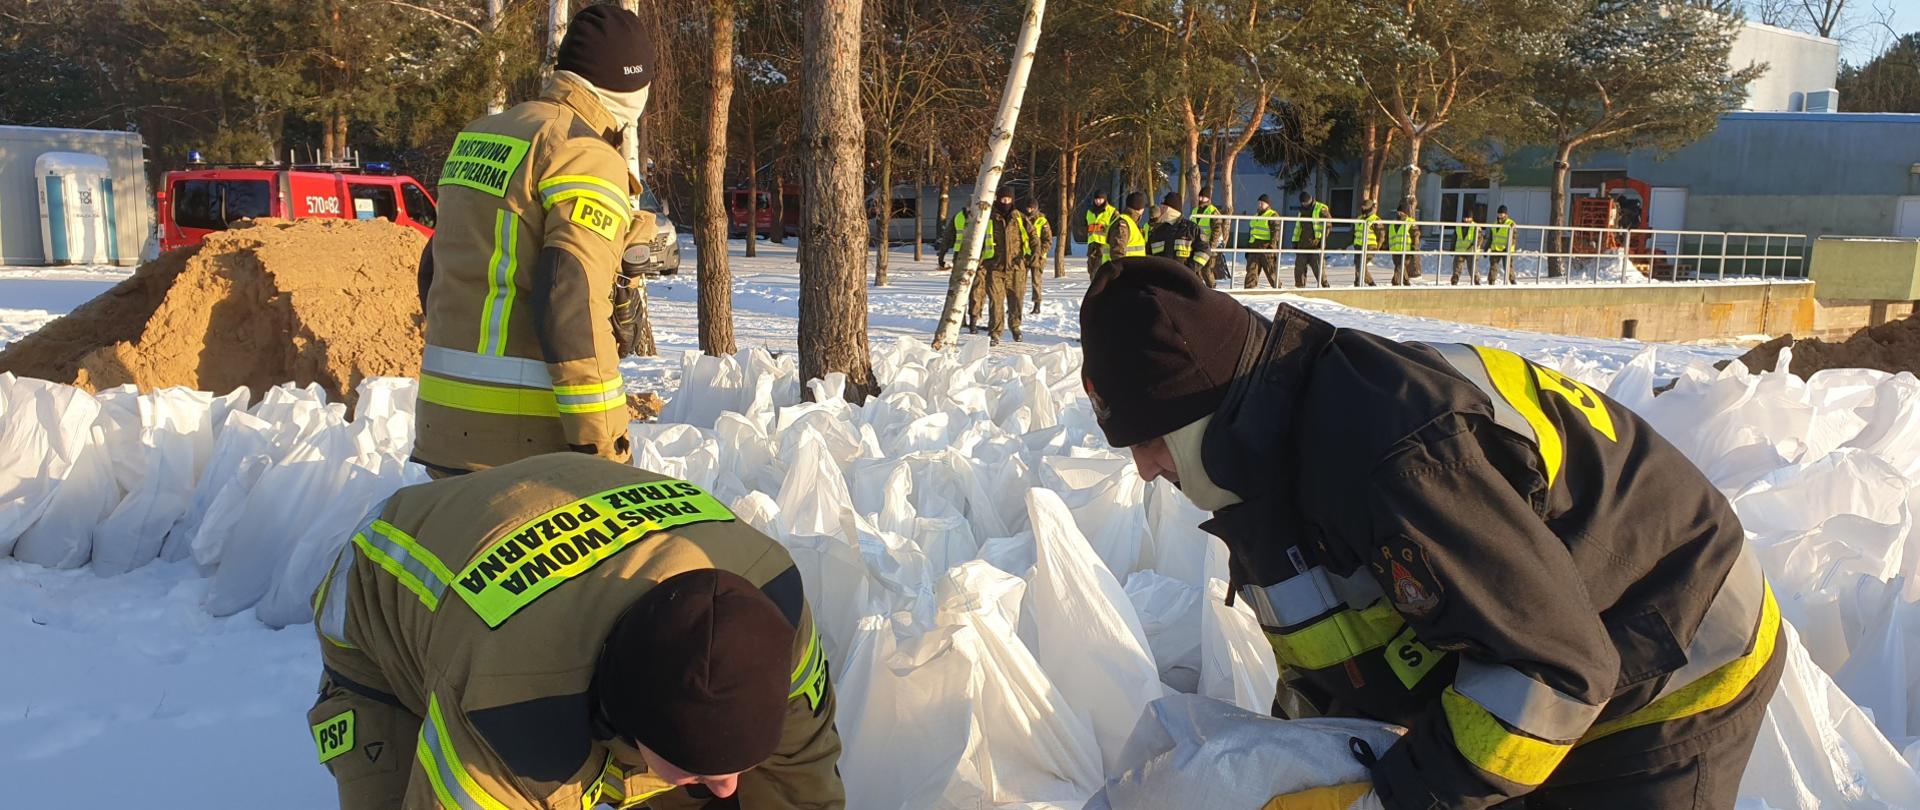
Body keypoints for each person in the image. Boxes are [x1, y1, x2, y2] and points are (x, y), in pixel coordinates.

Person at [1078, 257, 1782, 810]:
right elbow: (1329, 678)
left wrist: (1395, 799)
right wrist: (1284, 774)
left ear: (1202, 410)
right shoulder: (1259, 468)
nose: (1143, 470)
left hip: (1676, 655)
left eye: (1149, 439)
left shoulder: (1390, 455)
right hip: (1546, 646)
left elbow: (1556, 669)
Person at [307, 453, 845, 810]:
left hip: (574, 512)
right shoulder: (514, 715)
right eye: (697, 766)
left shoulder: (774, 606)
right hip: (381, 600)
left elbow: (802, 780)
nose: (729, 786)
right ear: (629, 725)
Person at [413, 6, 655, 478]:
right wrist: (605, 451)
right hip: (523, 444)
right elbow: (571, 304)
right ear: (633, 88)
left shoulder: (481, 136)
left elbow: (434, 269)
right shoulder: (582, 152)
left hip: (444, 428)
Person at [981, 187, 1030, 345]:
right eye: (1003, 199)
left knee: (1016, 300)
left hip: (1016, 269)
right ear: (997, 199)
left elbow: (1034, 237)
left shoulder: (1019, 218)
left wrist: (1033, 257)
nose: (1006, 202)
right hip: (994, 267)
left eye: (1009, 199)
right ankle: (995, 333)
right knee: (996, 301)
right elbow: (978, 240)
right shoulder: (988, 218)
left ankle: (1015, 327)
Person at [1147, 192, 1211, 280]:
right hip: (1163, 282)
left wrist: (1189, 270)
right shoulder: (1157, 232)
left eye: (1164, 207)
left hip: (1186, 282)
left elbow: (1204, 251)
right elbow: (1149, 257)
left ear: (1172, 210)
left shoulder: (1191, 229)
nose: (1160, 210)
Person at [1291, 191, 1331, 288]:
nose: (1305, 204)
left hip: (1315, 244)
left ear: (1310, 199)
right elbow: (1298, 227)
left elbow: (1328, 224)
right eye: (1303, 203)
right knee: (1299, 269)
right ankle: (1299, 288)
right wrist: (1295, 241)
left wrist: (1322, 240)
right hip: (1302, 244)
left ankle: (1325, 286)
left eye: (1306, 202)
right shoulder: (1301, 211)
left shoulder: (1321, 208)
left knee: (1318, 268)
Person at [1243, 194, 1281, 289]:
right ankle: (1249, 293)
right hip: (1254, 248)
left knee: (1271, 272)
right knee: (1251, 273)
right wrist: (1248, 247)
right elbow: (1251, 232)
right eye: (1259, 203)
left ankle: (1279, 292)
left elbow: (1276, 232)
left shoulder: (1272, 215)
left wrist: (1271, 247)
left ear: (1267, 204)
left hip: (1266, 248)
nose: (1260, 205)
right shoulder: (1255, 216)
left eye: (1262, 203)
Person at [1024, 197, 1054, 313]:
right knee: (1020, 282)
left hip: (1038, 257)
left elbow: (1048, 241)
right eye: (1028, 207)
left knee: (1036, 281)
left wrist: (1040, 253)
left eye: (1032, 208)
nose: (1029, 210)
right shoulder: (1022, 219)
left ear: (1036, 208)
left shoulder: (1042, 221)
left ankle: (1037, 305)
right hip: (1025, 255)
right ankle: (1017, 304)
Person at [1190, 191, 1224, 287]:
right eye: (1200, 197)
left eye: (1203, 197)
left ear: (1208, 199)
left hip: (1207, 244)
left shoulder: (1213, 211)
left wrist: (1212, 245)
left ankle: (1212, 288)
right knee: (1196, 268)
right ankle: (1198, 288)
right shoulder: (1195, 210)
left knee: (1206, 269)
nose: (1201, 199)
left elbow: (1217, 230)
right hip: (1196, 244)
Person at [1107, 192, 1149, 262]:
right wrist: (1122, 271)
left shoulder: (1131, 223)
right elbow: (1117, 253)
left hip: (1132, 269)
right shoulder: (1123, 224)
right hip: (1126, 270)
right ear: (1140, 209)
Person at [1085, 191, 1118, 275]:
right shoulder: (1089, 212)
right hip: (1092, 245)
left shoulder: (1112, 212)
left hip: (1104, 245)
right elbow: (1086, 226)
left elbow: (1116, 228)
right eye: (1096, 199)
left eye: (1100, 199)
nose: (1098, 201)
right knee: (1091, 270)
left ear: (1105, 199)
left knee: (1102, 270)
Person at [1388, 204, 1420, 287]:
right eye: (1398, 212)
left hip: (1406, 249)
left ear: (1405, 213)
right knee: (1400, 266)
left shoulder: (1410, 222)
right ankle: (1406, 282)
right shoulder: (1393, 223)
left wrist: (1414, 248)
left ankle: (1395, 282)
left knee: (1400, 266)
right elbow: (1390, 235)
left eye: (1401, 212)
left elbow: (1415, 235)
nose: (1399, 214)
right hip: (1395, 250)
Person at [1352, 200, 1382, 287]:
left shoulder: (1375, 220)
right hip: (1358, 246)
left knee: (1361, 264)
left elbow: (1381, 235)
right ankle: (1358, 282)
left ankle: (1370, 282)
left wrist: (1378, 247)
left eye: (1365, 207)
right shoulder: (1359, 218)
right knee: (1358, 264)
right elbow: (1355, 232)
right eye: (1362, 207)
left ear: (1369, 208)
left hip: (1370, 246)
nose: (1363, 209)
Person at [1487, 205, 1518, 285]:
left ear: (1506, 214)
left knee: (1508, 267)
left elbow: (1513, 238)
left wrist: (1508, 247)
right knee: (1493, 266)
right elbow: (1491, 237)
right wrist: (1486, 247)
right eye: (1499, 214)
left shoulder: (1510, 224)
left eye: (1502, 214)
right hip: (1496, 249)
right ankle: (1491, 282)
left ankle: (1513, 281)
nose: (1500, 215)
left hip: (1506, 249)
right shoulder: (1495, 224)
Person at [1451, 213, 1482, 286]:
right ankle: (1454, 282)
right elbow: (1454, 238)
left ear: (1472, 218)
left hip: (1471, 251)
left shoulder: (1476, 227)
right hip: (1460, 250)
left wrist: (1475, 246)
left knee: (1472, 268)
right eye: (1465, 218)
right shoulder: (1459, 226)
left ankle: (1476, 282)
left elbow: (1480, 238)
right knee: (1457, 267)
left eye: (1468, 218)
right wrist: (1452, 248)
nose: (1466, 220)